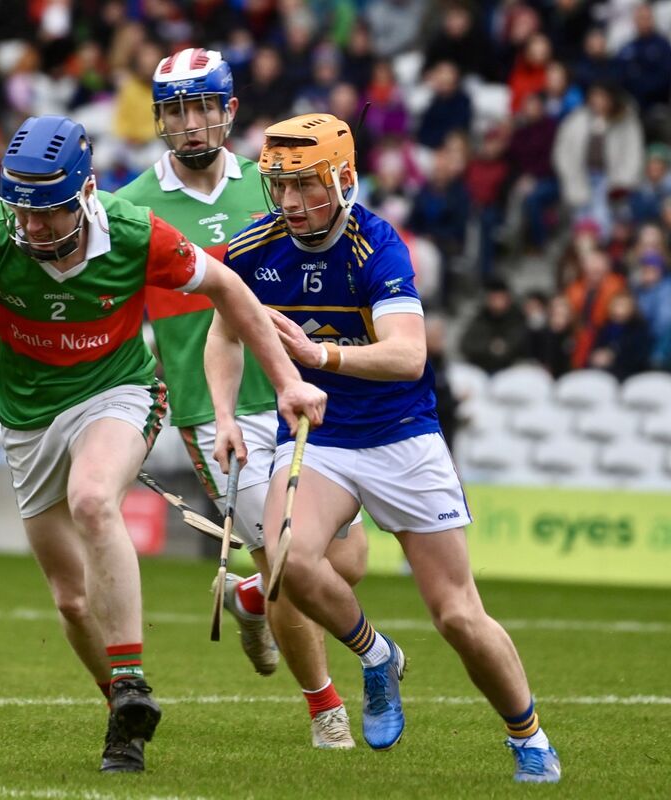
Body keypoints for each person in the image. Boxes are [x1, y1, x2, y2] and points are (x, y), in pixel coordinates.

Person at [0, 114, 326, 774]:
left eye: (50, 214)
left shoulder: (134, 232)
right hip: (27, 416)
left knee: (94, 499)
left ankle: (134, 678)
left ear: (86, 191)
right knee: (70, 599)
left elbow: (228, 287)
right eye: (21, 211)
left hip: (118, 391)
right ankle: (122, 704)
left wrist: (287, 379)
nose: (32, 228)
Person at [206, 113, 561, 783]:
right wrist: (225, 414)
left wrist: (320, 355)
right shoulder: (254, 249)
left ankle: (529, 734)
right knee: (285, 557)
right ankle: (375, 658)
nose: (289, 203)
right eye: (279, 187)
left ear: (342, 179)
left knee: (458, 614)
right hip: (323, 438)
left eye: (305, 186)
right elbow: (224, 336)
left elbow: (408, 356)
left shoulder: (377, 245)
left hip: (403, 438)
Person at [113, 47, 366, 750]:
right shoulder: (132, 208)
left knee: (345, 559)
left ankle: (251, 596)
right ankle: (326, 708)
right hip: (213, 411)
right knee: (292, 559)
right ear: (160, 122)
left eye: (203, 108)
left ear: (229, 112)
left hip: (298, 396)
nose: (191, 125)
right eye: (175, 112)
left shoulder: (273, 185)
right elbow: (109, 313)